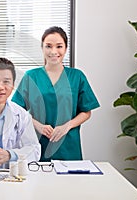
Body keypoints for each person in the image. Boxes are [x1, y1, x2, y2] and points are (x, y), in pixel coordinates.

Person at [12, 26, 100, 161]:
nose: (53, 51)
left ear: (65, 48)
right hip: (37, 144)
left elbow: (86, 112)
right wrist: (38, 126)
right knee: (38, 180)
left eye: (59, 46)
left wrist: (67, 126)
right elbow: (16, 110)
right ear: (42, 48)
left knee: (70, 181)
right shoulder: (31, 76)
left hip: (68, 146)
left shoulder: (77, 76)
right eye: (48, 46)